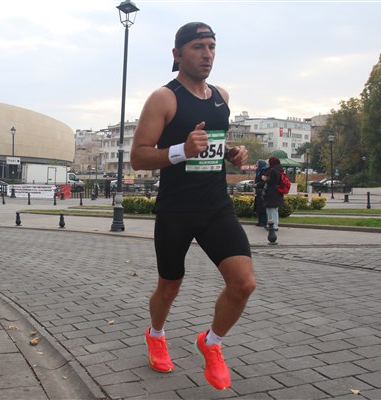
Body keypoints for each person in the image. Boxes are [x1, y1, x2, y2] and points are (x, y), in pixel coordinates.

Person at [130, 22, 256, 391]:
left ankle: (211, 342)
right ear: (177, 54)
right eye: (199, 47)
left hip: (216, 207)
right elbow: (139, 157)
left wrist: (232, 153)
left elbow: (211, 145)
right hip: (176, 209)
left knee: (244, 283)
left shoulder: (221, 96)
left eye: (212, 47)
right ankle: (156, 334)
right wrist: (181, 150)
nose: (207, 54)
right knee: (170, 286)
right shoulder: (164, 98)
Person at [264, 156, 285, 230]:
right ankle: (272, 224)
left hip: (272, 192)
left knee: (271, 210)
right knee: (274, 209)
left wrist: (265, 179)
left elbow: (271, 181)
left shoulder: (273, 170)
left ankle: (273, 225)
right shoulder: (280, 169)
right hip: (277, 192)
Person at [253, 160, 269, 227]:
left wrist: (257, 184)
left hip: (262, 191)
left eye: (257, 163)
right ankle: (259, 221)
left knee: (263, 207)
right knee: (258, 207)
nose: (256, 165)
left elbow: (264, 182)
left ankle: (264, 222)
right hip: (258, 191)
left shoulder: (264, 171)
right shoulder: (257, 171)